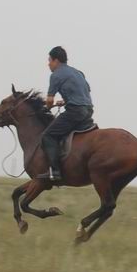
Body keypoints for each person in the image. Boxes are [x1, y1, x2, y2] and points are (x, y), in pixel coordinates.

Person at [38, 46, 94, 182]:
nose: (48, 64)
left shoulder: (56, 75)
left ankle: (55, 172)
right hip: (88, 111)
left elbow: (49, 100)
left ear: (56, 60)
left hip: (75, 112)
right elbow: (85, 91)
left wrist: (48, 107)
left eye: (49, 60)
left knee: (47, 135)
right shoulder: (78, 72)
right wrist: (65, 101)